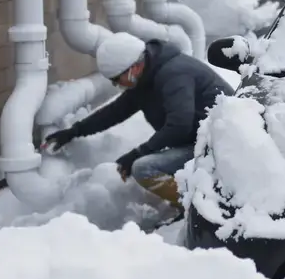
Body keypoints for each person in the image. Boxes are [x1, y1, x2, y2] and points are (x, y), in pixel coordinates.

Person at [43, 33, 235, 214]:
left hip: (220, 144)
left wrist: (138, 153)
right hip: (200, 140)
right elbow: (115, 112)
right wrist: (73, 132)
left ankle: (202, 209)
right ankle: (192, 201)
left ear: (133, 68)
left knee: (144, 168)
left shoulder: (174, 75)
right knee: (147, 163)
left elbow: (179, 125)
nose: (117, 85)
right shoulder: (148, 76)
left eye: (117, 79)